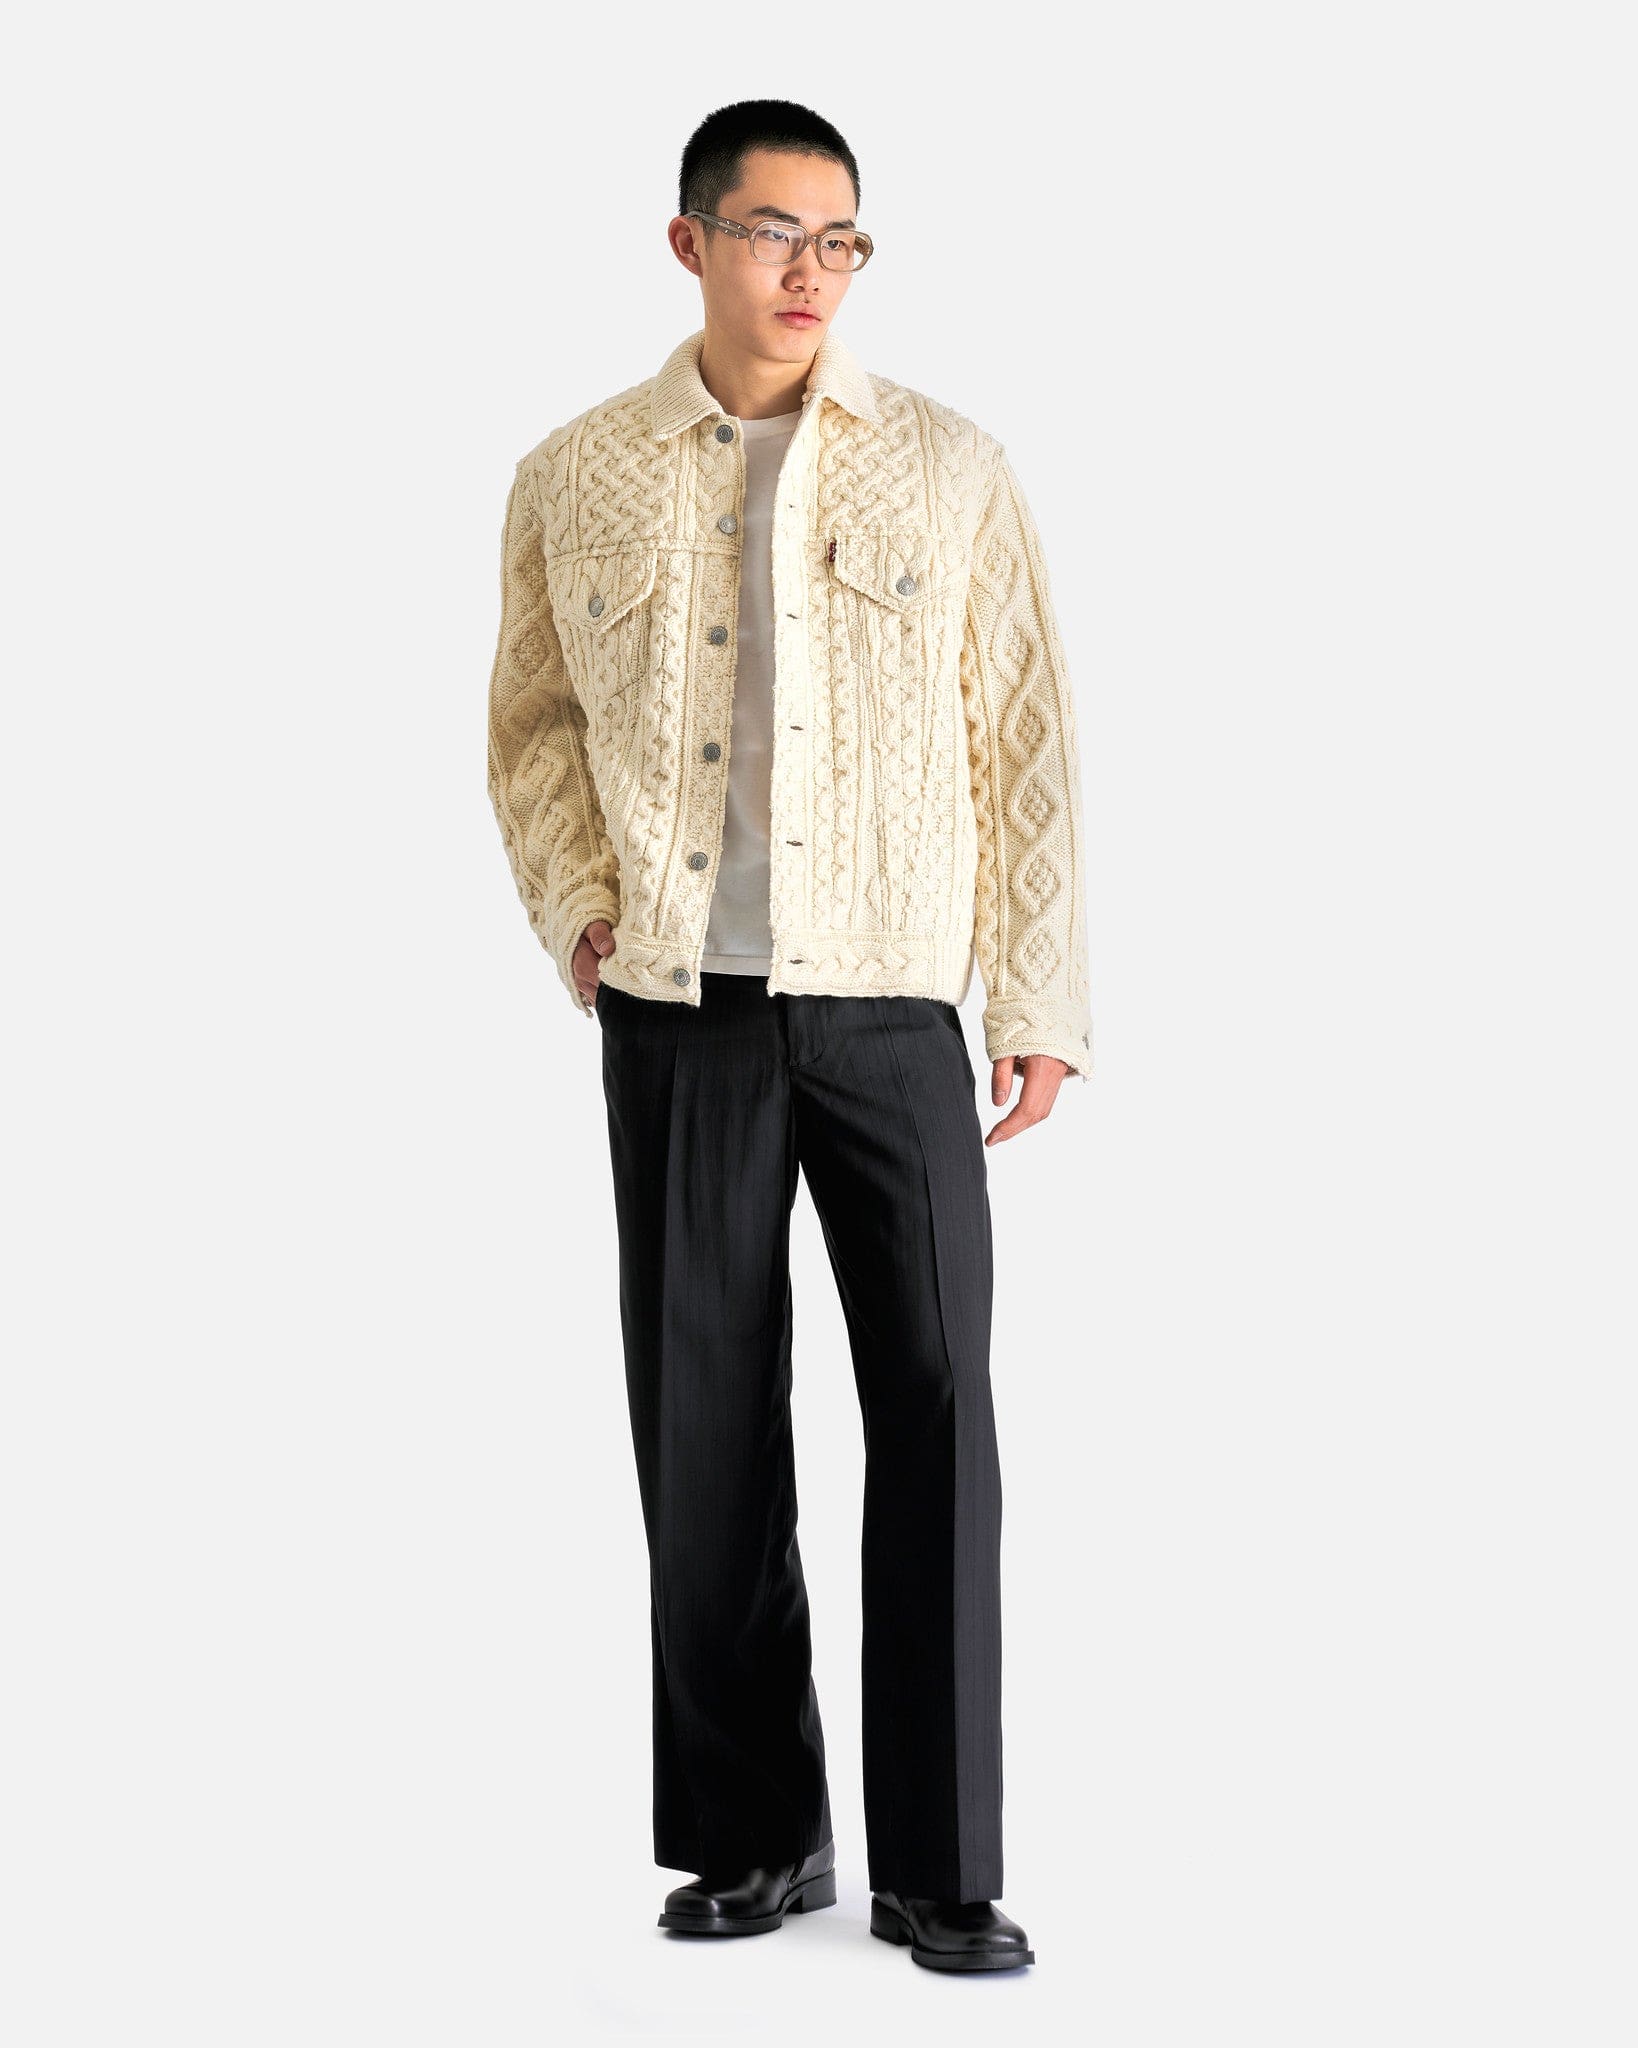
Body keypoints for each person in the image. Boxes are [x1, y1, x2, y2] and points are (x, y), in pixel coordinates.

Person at [486, 98, 1091, 1974]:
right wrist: (580, 912)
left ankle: (942, 1865)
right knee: (701, 1423)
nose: (810, 271)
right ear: (690, 243)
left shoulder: (951, 465)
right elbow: (529, 730)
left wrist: (1036, 993)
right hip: (679, 1005)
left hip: (892, 997)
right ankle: (755, 1838)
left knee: (936, 1408)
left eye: (841, 240)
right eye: (772, 233)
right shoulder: (572, 472)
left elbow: (1024, 732)